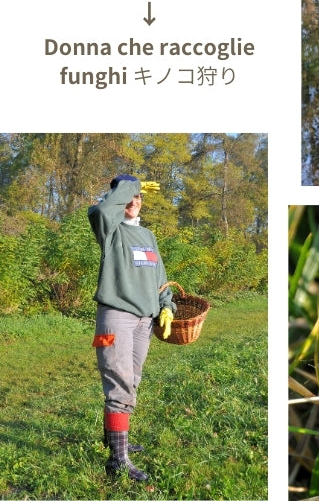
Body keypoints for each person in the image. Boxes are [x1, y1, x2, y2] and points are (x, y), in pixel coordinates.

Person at [87, 174, 174, 484]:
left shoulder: (148, 236)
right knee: (119, 380)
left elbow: (160, 278)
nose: (134, 202)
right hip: (117, 316)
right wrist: (128, 187)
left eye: (138, 197)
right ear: (119, 199)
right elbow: (99, 211)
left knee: (131, 379)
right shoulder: (109, 230)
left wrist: (167, 305)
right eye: (128, 198)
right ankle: (117, 460)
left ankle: (115, 438)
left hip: (144, 321)